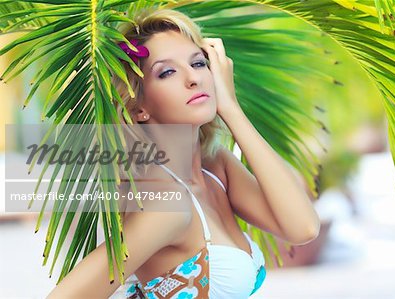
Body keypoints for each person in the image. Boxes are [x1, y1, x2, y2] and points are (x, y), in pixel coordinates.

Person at [47, 8, 320, 299]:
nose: (193, 78)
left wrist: (230, 107)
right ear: (139, 107)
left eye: (199, 63)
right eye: (167, 72)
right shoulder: (166, 204)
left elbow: (302, 227)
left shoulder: (216, 169)